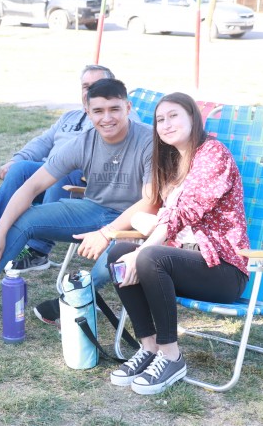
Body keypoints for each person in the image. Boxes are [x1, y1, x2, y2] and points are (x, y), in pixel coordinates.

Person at [0, 78, 154, 322]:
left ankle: (72, 301)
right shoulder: (82, 142)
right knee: (25, 218)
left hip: (137, 219)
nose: (107, 118)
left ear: (128, 107)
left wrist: (106, 233)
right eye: (98, 111)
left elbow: (150, 200)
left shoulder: (149, 140)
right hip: (94, 209)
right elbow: (31, 186)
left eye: (114, 109)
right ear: (87, 112)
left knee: (113, 259)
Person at [106, 93, 248, 395]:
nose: (166, 124)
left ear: (192, 118)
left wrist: (143, 251)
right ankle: (149, 347)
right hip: (183, 263)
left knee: (148, 257)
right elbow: (165, 216)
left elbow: (184, 213)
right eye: (160, 119)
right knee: (118, 254)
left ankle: (171, 357)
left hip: (222, 269)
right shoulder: (173, 162)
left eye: (174, 116)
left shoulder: (213, 154)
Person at [0, 65, 116, 272]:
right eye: (86, 86)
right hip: (51, 171)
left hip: (84, 183)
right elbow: (43, 142)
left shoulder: (117, 118)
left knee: (62, 172)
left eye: (97, 85)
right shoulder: (70, 117)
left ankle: (38, 251)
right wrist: (18, 159)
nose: (90, 91)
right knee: (20, 169)